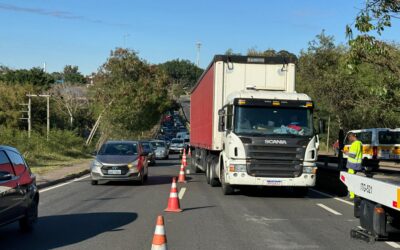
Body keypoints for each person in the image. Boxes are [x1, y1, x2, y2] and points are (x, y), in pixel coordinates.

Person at [342, 132, 363, 199]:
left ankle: (352, 196)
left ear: (352, 137)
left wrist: (346, 152)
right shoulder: (360, 143)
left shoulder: (355, 144)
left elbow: (353, 155)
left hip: (352, 165)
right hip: (357, 164)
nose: (349, 140)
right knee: (353, 180)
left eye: (349, 138)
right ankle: (353, 194)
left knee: (350, 180)